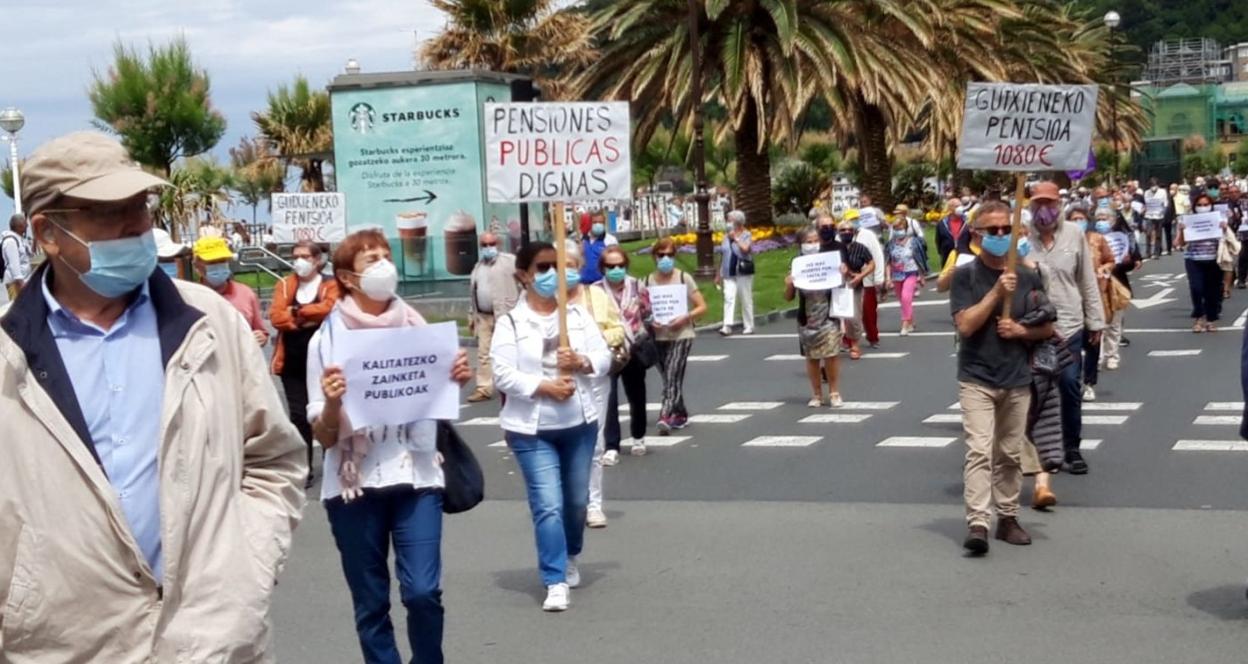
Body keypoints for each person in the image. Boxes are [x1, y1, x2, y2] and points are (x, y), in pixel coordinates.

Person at [0, 130, 306, 661]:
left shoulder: (208, 324)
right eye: (109, 210)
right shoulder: (9, 355)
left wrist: (247, 570)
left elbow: (272, 458)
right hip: (68, 647)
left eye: (140, 204)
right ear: (49, 233)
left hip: (212, 642)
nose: (138, 224)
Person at [307, 229, 472, 662]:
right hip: (353, 486)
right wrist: (332, 402)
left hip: (416, 474)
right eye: (370, 260)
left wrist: (454, 376)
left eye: (386, 256)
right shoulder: (324, 343)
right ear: (346, 277)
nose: (384, 266)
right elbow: (323, 436)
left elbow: (440, 400)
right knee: (371, 603)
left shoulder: (419, 330)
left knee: (422, 593)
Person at [492, 241, 613, 612]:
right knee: (548, 505)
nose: (551, 276)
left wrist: (581, 361)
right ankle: (554, 577)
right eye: (542, 268)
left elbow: (604, 357)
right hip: (531, 430)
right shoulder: (510, 322)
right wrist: (542, 386)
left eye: (556, 268)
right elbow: (502, 373)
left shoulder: (576, 317)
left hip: (578, 423)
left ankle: (570, 552)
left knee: (575, 502)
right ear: (524, 276)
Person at [950, 200, 1054, 554]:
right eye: (991, 230)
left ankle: (1007, 517)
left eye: (1005, 230)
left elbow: (1047, 327)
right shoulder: (965, 276)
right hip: (977, 376)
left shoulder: (1028, 276)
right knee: (979, 450)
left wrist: (1021, 331)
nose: (999, 235)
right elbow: (965, 325)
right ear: (977, 235)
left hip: (1016, 377)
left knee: (1009, 453)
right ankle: (978, 522)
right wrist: (997, 293)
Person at [1027, 182, 1104, 476]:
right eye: (1038, 203)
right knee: (1035, 391)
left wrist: (1095, 320)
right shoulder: (1022, 238)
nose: (1044, 209)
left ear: (1059, 205)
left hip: (1069, 325)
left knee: (1070, 386)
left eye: (1050, 203)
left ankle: (1072, 447)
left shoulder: (1074, 234)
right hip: (1033, 327)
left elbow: (1086, 280)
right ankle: (1039, 450)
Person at [559, 240, 625, 530]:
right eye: (559, 267)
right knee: (563, 442)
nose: (565, 273)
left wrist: (597, 339)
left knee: (594, 443)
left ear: (579, 268)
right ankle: (568, 500)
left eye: (570, 267)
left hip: (594, 379)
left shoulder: (595, 296)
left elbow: (618, 329)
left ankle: (593, 504)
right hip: (559, 381)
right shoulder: (546, 301)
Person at [270, 240, 339, 488]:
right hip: (291, 360)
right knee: (299, 416)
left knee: (326, 412)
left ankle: (337, 461)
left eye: (304, 256)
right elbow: (276, 316)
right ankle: (304, 468)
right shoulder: (285, 285)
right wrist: (303, 318)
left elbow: (329, 309)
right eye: (295, 256)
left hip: (324, 360)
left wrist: (297, 312)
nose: (299, 261)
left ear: (318, 260)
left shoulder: (330, 284)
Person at [648, 237, 708, 434]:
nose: (665, 259)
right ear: (654, 257)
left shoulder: (683, 278)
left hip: (681, 334)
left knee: (673, 374)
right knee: (669, 377)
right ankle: (680, 413)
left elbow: (702, 306)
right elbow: (642, 310)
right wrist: (649, 321)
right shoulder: (647, 281)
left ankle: (665, 415)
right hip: (658, 336)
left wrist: (686, 317)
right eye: (661, 255)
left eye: (670, 255)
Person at [599, 245, 652, 462]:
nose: (616, 270)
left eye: (620, 265)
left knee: (636, 394)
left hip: (634, 347)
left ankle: (638, 436)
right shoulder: (596, 291)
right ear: (603, 267)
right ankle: (611, 445)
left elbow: (648, 312)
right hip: (608, 349)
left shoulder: (637, 286)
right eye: (611, 266)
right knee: (608, 397)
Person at [785, 225, 848, 407]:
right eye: (808, 242)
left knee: (831, 354)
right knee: (812, 357)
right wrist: (789, 284)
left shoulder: (830, 259)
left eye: (815, 241)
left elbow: (841, 284)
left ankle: (834, 392)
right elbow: (789, 297)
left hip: (828, 314)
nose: (812, 245)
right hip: (808, 316)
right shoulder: (797, 263)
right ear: (801, 244)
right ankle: (817, 394)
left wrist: (842, 273)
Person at [468, 231, 520, 402]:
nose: (488, 248)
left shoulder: (509, 262)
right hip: (483, 316)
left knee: (509, 351)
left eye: (491, 244)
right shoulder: (478, 267)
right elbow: (473, 293)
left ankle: (515, 384)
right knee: (484, 353)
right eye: (484, 245)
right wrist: (471, 315)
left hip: (505, 315)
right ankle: (484, 388)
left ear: (497, 244)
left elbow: (525, 280)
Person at [193, 235, 269, 346]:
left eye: (222, 261)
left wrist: (261, 337)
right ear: (197, 266)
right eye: (211, 262)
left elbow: (261, 331)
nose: (218, 265)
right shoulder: (190, 298)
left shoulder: (246, 294)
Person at [1177, 193, 1227, 333]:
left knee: (1212, 291)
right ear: (1194, 206)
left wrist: (1223, 228)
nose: (1203, 207)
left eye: (1206, 204)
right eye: (1199, 205)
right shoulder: (1186, 220)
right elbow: (1179, 243)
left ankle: (1210, 320)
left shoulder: (1218, 218)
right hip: (1194, 260)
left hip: (1214, 260)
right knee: (1197, 288)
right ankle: (1199, 317)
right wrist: (1181, 231)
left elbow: (1225, 238)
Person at [1101, 209, 1141, 372]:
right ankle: (1098, 356)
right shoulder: (1089, 238)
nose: (1102, 221)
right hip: (1096, 285)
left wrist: (1128, 261)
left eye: (1105, 218)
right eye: (1099, 218)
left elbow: (1133, 263)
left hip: (1117, 284)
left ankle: (1112, 355)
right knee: (1098, 324)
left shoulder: (1122, 237)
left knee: (1115, 323)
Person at [837, 215, 877, 360]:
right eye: (843, 230)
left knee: (853, 316)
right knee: (837, 315)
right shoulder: (834, 248)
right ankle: (838, 342)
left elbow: (872, 264)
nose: (846, 232)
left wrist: (860, 276)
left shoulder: (860, 248)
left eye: (849, 230)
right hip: (837, 284)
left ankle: (854, 344)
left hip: (855, 283)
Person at [886, 211, 929, 336]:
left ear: (905, 229)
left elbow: (920, 259)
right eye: (896, 229)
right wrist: (888, 278)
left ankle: (905, 323)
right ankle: (910, 320)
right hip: (896, 274)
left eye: (900, 228)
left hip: (911, 273)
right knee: (903, 301)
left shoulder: (914, 242)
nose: (898, 231)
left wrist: (921, 276)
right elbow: (888, 261)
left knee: (906, 297)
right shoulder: (891, 244)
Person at [717, 209, 755, 336]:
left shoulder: (746, 234)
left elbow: (745, 250)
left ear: (737, 222)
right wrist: (718, 273)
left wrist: (736, 239)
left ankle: (748, 325)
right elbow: (723, 254)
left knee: (745, 298)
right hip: (728, 272)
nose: (727, 223)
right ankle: (727, 325)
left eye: (729, 220)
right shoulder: (725, 237)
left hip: (742, 271)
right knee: (728, 297)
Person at [852, 207, 886, 348]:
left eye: (854, 220)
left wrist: (879, 278)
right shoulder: (840, 236)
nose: (852, 224)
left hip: (867, 280)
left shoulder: (867, 235)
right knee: (850, 313)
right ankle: (849, 340)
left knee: (868, 311)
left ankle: (873, 337)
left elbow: (877, 256)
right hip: (850, 282)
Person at [1, 212, 32, 303]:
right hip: (16, 284)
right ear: (20, 226)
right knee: (19, 311)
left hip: (23, 281)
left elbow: (30, 254)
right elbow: (14, 267)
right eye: (25, 224)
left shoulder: (20, 239)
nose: (27, 227)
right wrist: (22, 286)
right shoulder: (11, 241)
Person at [936, 199, 972, 266]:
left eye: (960, 205)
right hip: (947, 256)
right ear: (950, 208)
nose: (960, 208)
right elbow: (938, 240)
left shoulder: (967, 222)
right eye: (956, 206)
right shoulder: (942, 223)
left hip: (964, 255)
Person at [1143, 178, 1168, 258]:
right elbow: (1145, 204)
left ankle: (1157, 252)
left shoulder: (1162, 192)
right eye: (1151, 185)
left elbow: (1165, 203)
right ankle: (1148, 252)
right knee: (1148, 234)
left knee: (1158, 235)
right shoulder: (1146, 193)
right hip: (1149, 215)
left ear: (1157, 185)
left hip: (1159, 215)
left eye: (1154, 185)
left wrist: (1163, 211)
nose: (1153, 187)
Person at [581, 216, 609, 285]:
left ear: (604, 224)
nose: (598, 225)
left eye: (600, 222)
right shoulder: (580, 240)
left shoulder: (610, 240)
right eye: (595, 222)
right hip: (581, 282)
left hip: (601, 283)